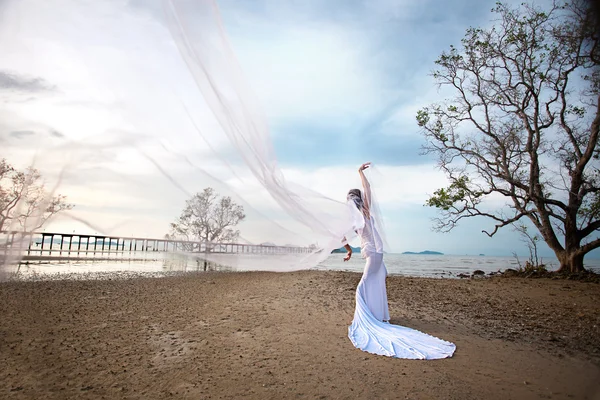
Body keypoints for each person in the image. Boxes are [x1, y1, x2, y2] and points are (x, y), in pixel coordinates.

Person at [342, 162, 456, 360]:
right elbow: (343, 237)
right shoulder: (360, 216)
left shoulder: (362, 214)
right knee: (377, 282)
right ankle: (379, 316)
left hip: (373, 254)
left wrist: (360, 173)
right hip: (376, 253)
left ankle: (368, 319)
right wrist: (350, 250)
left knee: (364, 285)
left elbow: (366, 192)